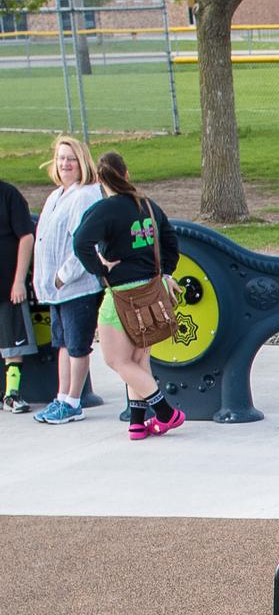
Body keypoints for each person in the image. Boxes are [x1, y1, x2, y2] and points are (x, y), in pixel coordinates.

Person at [69, 152, 183, 440]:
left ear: (98, 179)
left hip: (121, 295)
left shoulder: (105, 210)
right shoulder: (147, 205)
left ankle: (167, 413)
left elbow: (81, 242)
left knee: (116, 361)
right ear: (127, 174)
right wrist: (165, 272)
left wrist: (101, 269)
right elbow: (170, 240)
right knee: (138, 359)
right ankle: (136, 423)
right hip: (151, 292)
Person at [28, 134, 102, 424]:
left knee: (77, 345)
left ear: (82, 161)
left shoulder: (84, 195)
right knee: (61, 343)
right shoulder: (57, 194)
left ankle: (74, 401)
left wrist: (62, 277)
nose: (65, 164)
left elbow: (85, 243)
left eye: (71, 158)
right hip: (56, 291)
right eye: (61, 158)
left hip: (76, 288)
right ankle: (61, 397)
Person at [0, 177, 31, 415]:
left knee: (13, 344)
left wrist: (19, 280)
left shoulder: (9, 194)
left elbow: (26, 237)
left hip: (8, 287)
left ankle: (12, 394)